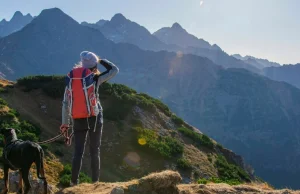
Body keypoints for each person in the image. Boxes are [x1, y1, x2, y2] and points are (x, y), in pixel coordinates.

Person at [60, 51, 119, 186]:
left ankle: (73, 182)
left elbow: (65, 103)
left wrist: (65, 123)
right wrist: (101, 60)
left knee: (78, 152)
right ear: (94, 66)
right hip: (95, 118)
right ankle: (95, 183)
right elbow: (115, 70)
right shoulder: (95, 78)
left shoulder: (71, 79)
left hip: (78, 119)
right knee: (94, 151)